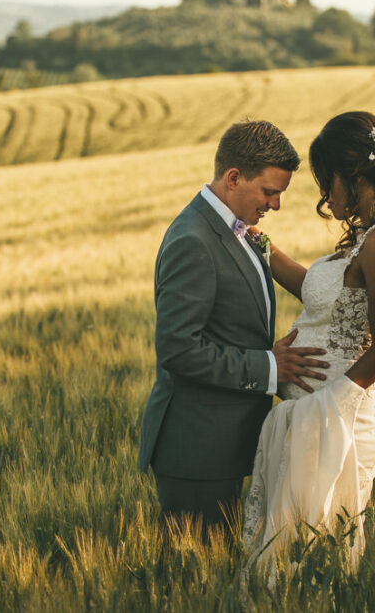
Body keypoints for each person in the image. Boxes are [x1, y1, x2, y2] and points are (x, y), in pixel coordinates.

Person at [242, 109, 375, 570]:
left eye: (327, 181)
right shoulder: (370, 233)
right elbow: (316, 289)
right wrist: (255, 242)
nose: (326, 195)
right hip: (319, 419)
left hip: (339, 421)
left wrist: (325, 407)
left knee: (314, 554)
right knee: (295, 550)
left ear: (352, 174)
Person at [138, 120, 330, 542]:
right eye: (269, 192)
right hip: (196, 450)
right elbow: (178, 349)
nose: (276, 205)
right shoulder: (193, 239)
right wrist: (267, 367)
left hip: (225, 444)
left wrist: (267, 351)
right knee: (192, 588)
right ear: (233, 178)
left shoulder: (236, 231)